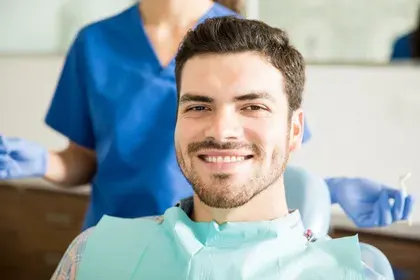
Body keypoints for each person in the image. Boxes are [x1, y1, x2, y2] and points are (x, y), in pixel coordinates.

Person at [0, 0, 413, 231]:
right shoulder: (95, 43)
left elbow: (259, 160)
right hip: (117, 236)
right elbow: (84, 159)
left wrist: (327, 192)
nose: (220, 124)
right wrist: (44, 163)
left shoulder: (241, 40)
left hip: (217, 243)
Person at [51, 17, 380, 279]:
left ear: (295, 130)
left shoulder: (352, 275)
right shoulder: (92, 256)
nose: (221, 131)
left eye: (252, 106)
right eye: (197, 107)